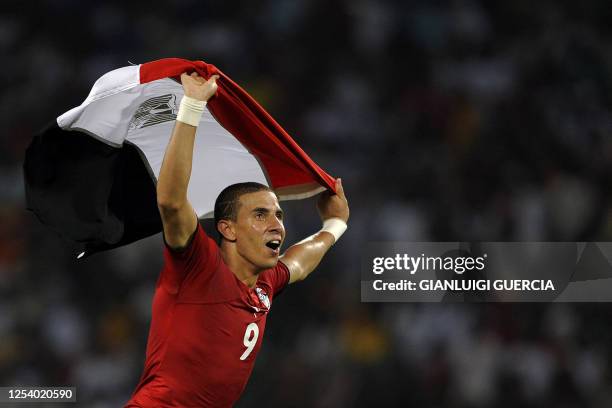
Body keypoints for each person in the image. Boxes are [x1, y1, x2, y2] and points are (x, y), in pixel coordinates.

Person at [125, 72, 349, 407]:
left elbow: (299, 262)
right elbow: (171, 202)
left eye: (278, 215)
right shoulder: (198, 266)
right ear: (227, 229)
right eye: (260, 214)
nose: (276, 225)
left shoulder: (264, 285)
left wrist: (335, 224)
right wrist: (192, 106)